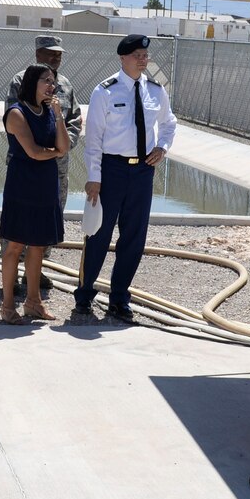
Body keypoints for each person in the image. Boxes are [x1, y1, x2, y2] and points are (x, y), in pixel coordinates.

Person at [72, 35, 175, 325]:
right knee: (98, 234)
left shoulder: (155, 91)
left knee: (134, 237)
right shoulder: (105, 91)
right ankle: (84, 295)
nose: (143, 60)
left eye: (145, 55)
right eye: (137, 55)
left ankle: (119, 299)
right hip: (112, 170)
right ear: (123, 58)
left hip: (142, 171)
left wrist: (162, 147)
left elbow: (169, 123)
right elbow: (93, 139)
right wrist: (94, 177)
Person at [4, 34, 81, 293]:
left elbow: (74, 119)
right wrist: (47, 146)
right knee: (19, 224)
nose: (55, 57)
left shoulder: (66, 85)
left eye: (58, 53)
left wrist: (64, 144)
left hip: (55, 167)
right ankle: (12, 277)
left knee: (48, 221)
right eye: (49, 53)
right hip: (28, 165)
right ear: (37, 54)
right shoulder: (21, 81)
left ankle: (35, 273)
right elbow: (18, 120)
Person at [0, 63, 70, 324]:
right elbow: (34, 152)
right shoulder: (16, 113)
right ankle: (7, 306)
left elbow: (65, 145)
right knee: (15, 245)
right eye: (45, 81)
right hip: (23, 185)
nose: (51, 86)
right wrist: (56, 153)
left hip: (45, 184)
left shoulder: (49, 111)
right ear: (31, 83)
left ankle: (33, 303)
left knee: (38, 245)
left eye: (53, 81)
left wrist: (59, 116)